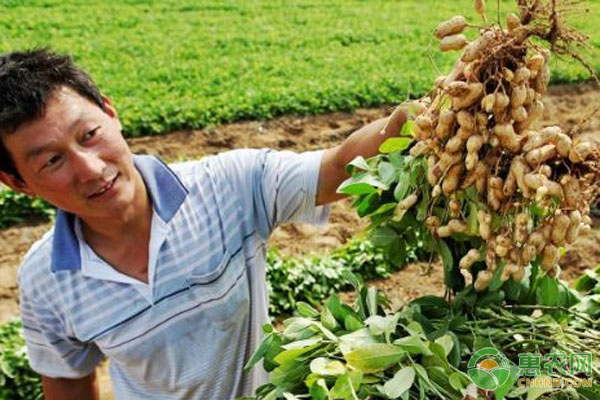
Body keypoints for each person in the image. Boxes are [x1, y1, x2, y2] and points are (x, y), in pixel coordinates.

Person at [0, 49, 408, 400]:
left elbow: (338, 167)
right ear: (17, 182)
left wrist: (426, 114)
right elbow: (67, 383)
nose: (90, 169)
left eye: (89, 134)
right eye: (52, 160)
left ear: (110, 112)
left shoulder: (228, 185)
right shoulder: (44, 277)